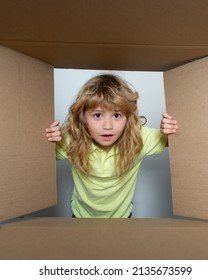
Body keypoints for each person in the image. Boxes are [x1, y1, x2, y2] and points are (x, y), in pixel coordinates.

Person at [45, 74, 178, 218]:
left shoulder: (137, 138)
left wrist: (169, 131)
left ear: (128, 117)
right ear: (83, 117)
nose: (107, 126)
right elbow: (39, 155)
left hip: (121, 218)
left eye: (116, 115)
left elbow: (177, 142)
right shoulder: (72, 139)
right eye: (97, 115)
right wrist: (49, 138)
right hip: (80, 217)